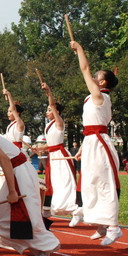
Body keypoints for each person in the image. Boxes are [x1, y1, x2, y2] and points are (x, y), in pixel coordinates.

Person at [0, 113, 61, 256]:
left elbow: (5, 160)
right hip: (17, 171)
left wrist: (12, 191)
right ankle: (34, 246)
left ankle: (46, 245)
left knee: (27, 213)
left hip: (20, 172)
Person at [71, 40, 121, 246]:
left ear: (102, 83)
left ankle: (114, 227)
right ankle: (101, 224)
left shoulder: (100, 96)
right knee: (90, 182)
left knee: (104, 183)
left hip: (100, 143)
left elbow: (84, 69)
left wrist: (80, 49)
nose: (93, 77)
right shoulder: (94, 97)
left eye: (97, 76)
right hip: (92, 141)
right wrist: (83, 147)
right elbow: (90, 126)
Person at [36, 82, 82, 226]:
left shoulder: (59, 123)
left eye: (50, 110)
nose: (47, 112)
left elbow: (55, 144)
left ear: (56, 112)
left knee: (65, 183)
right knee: (52, 183)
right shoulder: (49, 126)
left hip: (61, 156)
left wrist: (49, 92)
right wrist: (38, 149)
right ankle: (47, 210)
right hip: (53, 156)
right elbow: (50, 144)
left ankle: (75, 210)